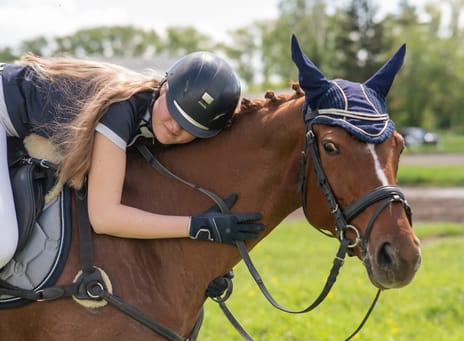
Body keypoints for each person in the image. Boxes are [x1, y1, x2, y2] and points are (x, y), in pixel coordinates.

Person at [0, 52, 265, 268]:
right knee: (3, 245)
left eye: (189, 128)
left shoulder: (148, 115)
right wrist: (195, 226)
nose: (175, 127)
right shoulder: (121, 109)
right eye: (174, 111)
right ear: (164, 89)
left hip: (14, 129)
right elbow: (104, 217)